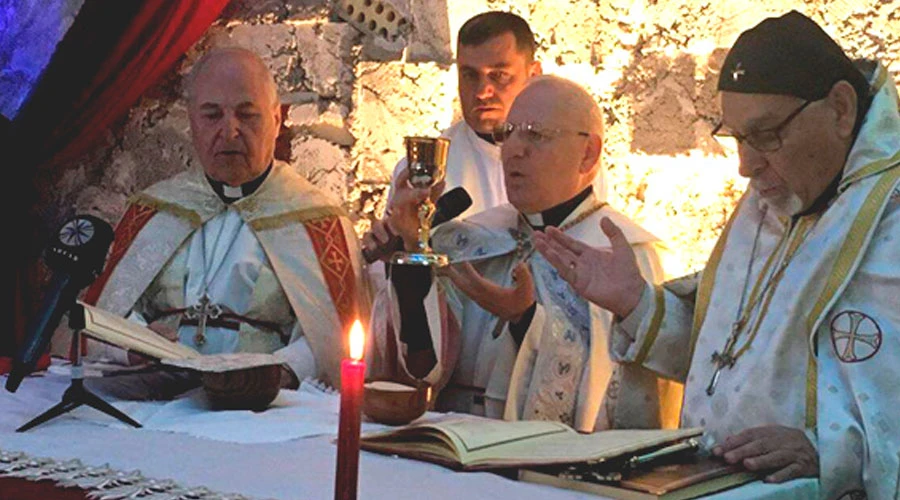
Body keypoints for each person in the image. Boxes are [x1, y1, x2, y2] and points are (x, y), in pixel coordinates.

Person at [534, 11, 899, 497]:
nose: (747, 167)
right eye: (738, 138)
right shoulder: (766, 206)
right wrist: (635, 304)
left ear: (840, 108)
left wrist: (831, 451)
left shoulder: (887, 214)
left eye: (767, 136)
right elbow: (730, 358)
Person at [369, 75, 682, 432]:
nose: (513, 149)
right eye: (509, 133)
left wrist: (525, 320)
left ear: (588, 153)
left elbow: (617, 392)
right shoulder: (470, 240)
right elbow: (420, 368)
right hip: (444, 440)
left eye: (535, 134)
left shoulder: (624, 254)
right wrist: (413, 251)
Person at [76, 47, 368, 395]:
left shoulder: (317, 221)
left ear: (277, 120)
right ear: (192, 122)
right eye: (212, 115)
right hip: (150, 399)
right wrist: (134, 344)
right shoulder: (155, 209)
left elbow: (334, 338)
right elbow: (107, 316)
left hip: (263, 412)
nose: (229, 131)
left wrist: (279, 370)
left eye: (247, 115)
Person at [362, 12, 543, 263]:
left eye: (498, 75)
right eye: (470, 75)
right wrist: (397, 251)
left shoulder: (566, 159)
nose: (482, 92)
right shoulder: (424, 173)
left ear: (533, 75)